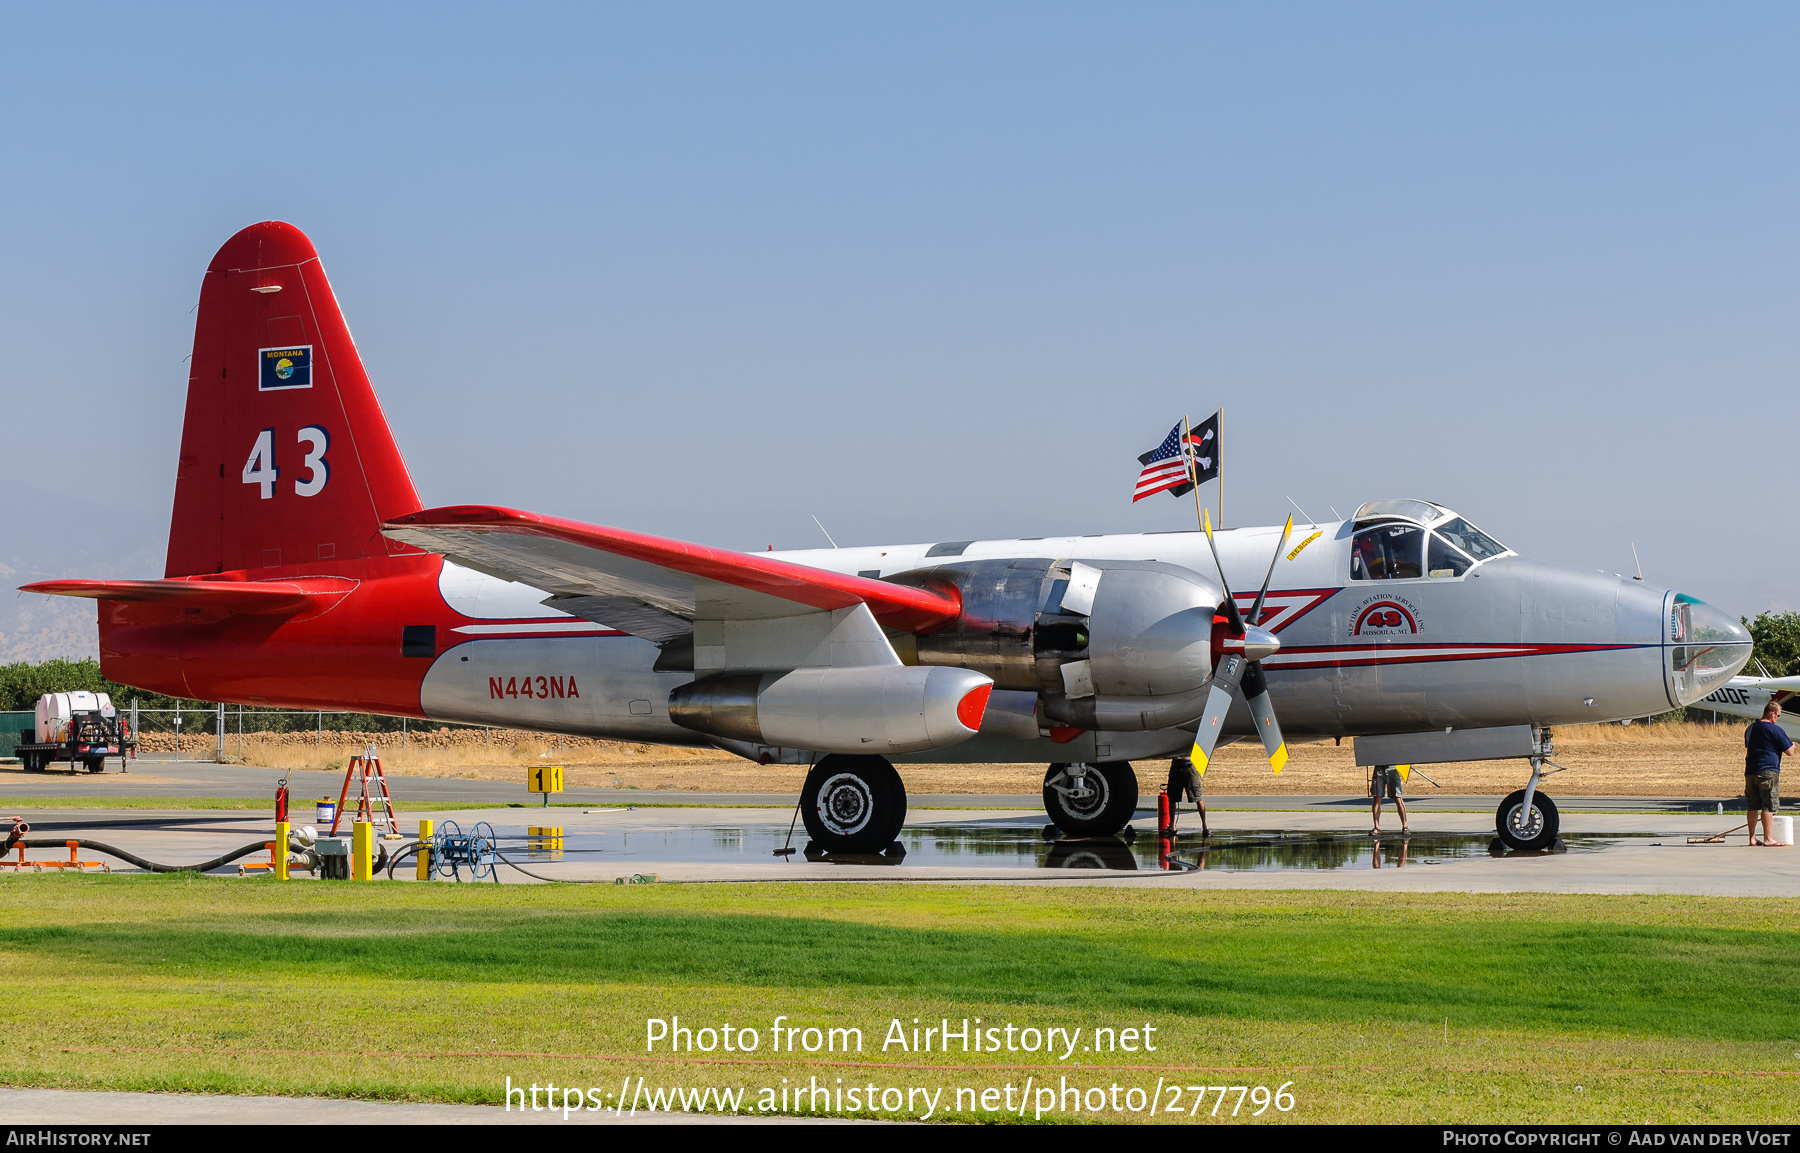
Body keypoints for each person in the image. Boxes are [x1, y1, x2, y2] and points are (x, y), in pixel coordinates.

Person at [1744, 700, 1794, 846]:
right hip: (1768, 771)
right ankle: (1768, 838)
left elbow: (1748, 745)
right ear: (1772, 714)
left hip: (1751, 771)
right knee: (1768, 805)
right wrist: (1793, 746)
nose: (1777, 718)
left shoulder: (1751, 728)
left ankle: (1752, 838)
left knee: (1753, 806)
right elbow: (1789, 751)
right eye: (1778, 715)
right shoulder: (1775, 730)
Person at [1166, 756, 1208, 838]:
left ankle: (1205, 826)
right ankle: (1172, 826)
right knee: (1172, 797)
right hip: (1176, 765)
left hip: (1189, 766)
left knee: (1197, 797)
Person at [1370, 764, 1408, 834]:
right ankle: (1376, 827)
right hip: (1379, 767)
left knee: (1398, 797)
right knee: (1377, 797)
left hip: (1393, 767)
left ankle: (1405, 827)